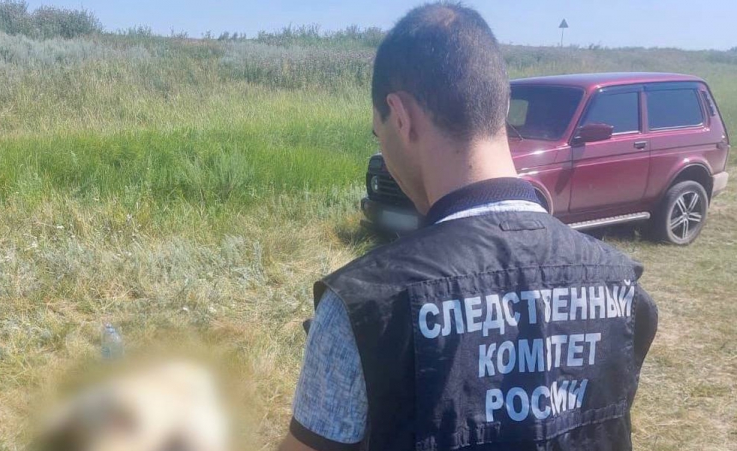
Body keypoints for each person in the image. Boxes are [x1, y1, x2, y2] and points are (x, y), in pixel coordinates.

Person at [279, 3, 659, 451]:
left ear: (400, 117)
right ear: (501, 105)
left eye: (379, 135)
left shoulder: (363, 309)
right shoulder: (624, 290)